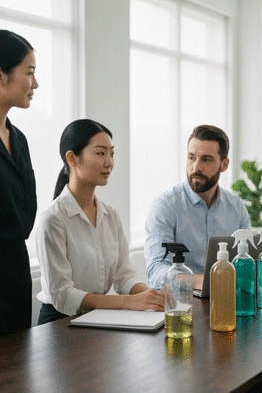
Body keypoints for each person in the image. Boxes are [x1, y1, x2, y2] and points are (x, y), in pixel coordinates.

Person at [35, 119, 164, 325]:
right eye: (100, 153)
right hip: (59, 325)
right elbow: (63, 295)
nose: (109, 162)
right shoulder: (53, 220)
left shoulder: (110, 215)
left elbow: (125, 277)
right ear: (72, 158)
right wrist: (130, 302)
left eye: (112, 153)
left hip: (98, 318)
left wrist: (154, 297)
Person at [145, 125, 250, 290]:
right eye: (191, 158)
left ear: (224, 165)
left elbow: (247, 260)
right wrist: (199, 281)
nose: (196, 167)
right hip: (181, 303)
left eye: (206, 159)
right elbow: (155, 271)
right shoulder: (165, 207)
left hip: (227, 298)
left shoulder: (236, 207)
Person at [0, 30, 39, 336]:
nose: (34, 84)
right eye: (29, 73)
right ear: (1, 77)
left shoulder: (19, 139)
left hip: (15, 270)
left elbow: (26, 213)